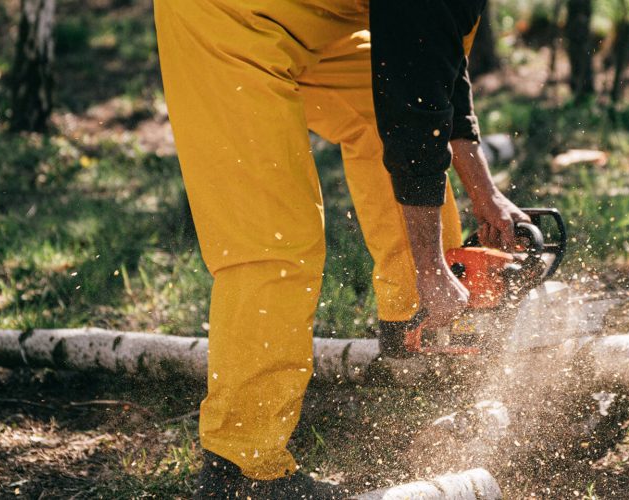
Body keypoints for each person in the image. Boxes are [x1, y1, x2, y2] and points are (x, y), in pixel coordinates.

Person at [154, 0, 524, 497]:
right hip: (224, 18)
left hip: (312, 18)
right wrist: (432, 265)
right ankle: (241, 468)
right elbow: (415, 118)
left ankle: (419, 325)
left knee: (385, 103)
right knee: (276, 244)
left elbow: (436, 73)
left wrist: (485, 191)